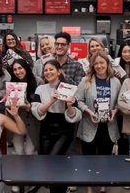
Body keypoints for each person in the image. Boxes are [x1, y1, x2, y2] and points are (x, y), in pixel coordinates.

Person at [32, 60, 82, 193]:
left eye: (51, 69)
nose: (48, 72)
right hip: (46, 128)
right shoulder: (41, 89)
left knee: (55, 160)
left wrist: (70, 105)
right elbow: (37, 112)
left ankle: (59, 190)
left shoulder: (69, 88)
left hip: (64, 129)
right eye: (46, 70)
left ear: (59, 71)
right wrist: (51, 101)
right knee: (47, 161)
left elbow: (74, 116)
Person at [76, 51, 121, 193]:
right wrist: (89, 112)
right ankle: (89, 187)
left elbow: (120, 102)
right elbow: (78, 100)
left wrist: (115, 111)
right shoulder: (86, 81)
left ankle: (102, 186)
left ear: (107, 64)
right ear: (92, 65)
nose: (99, 66)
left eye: (102, 62)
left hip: (108, 126)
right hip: (90, 125)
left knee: (105, 158)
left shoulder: (115, 82)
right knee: (88, 158)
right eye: (96, 63)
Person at [9, 59, 43, 158]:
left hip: (32, 119)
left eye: (20, 68)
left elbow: (42, 103)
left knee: (30, 151)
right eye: (15, 69)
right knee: (18, 151)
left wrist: (30, 106)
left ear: (26, 68)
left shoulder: (38, 81)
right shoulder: (12, 83)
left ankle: (30, 172)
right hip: (17, 119)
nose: (18, 72)